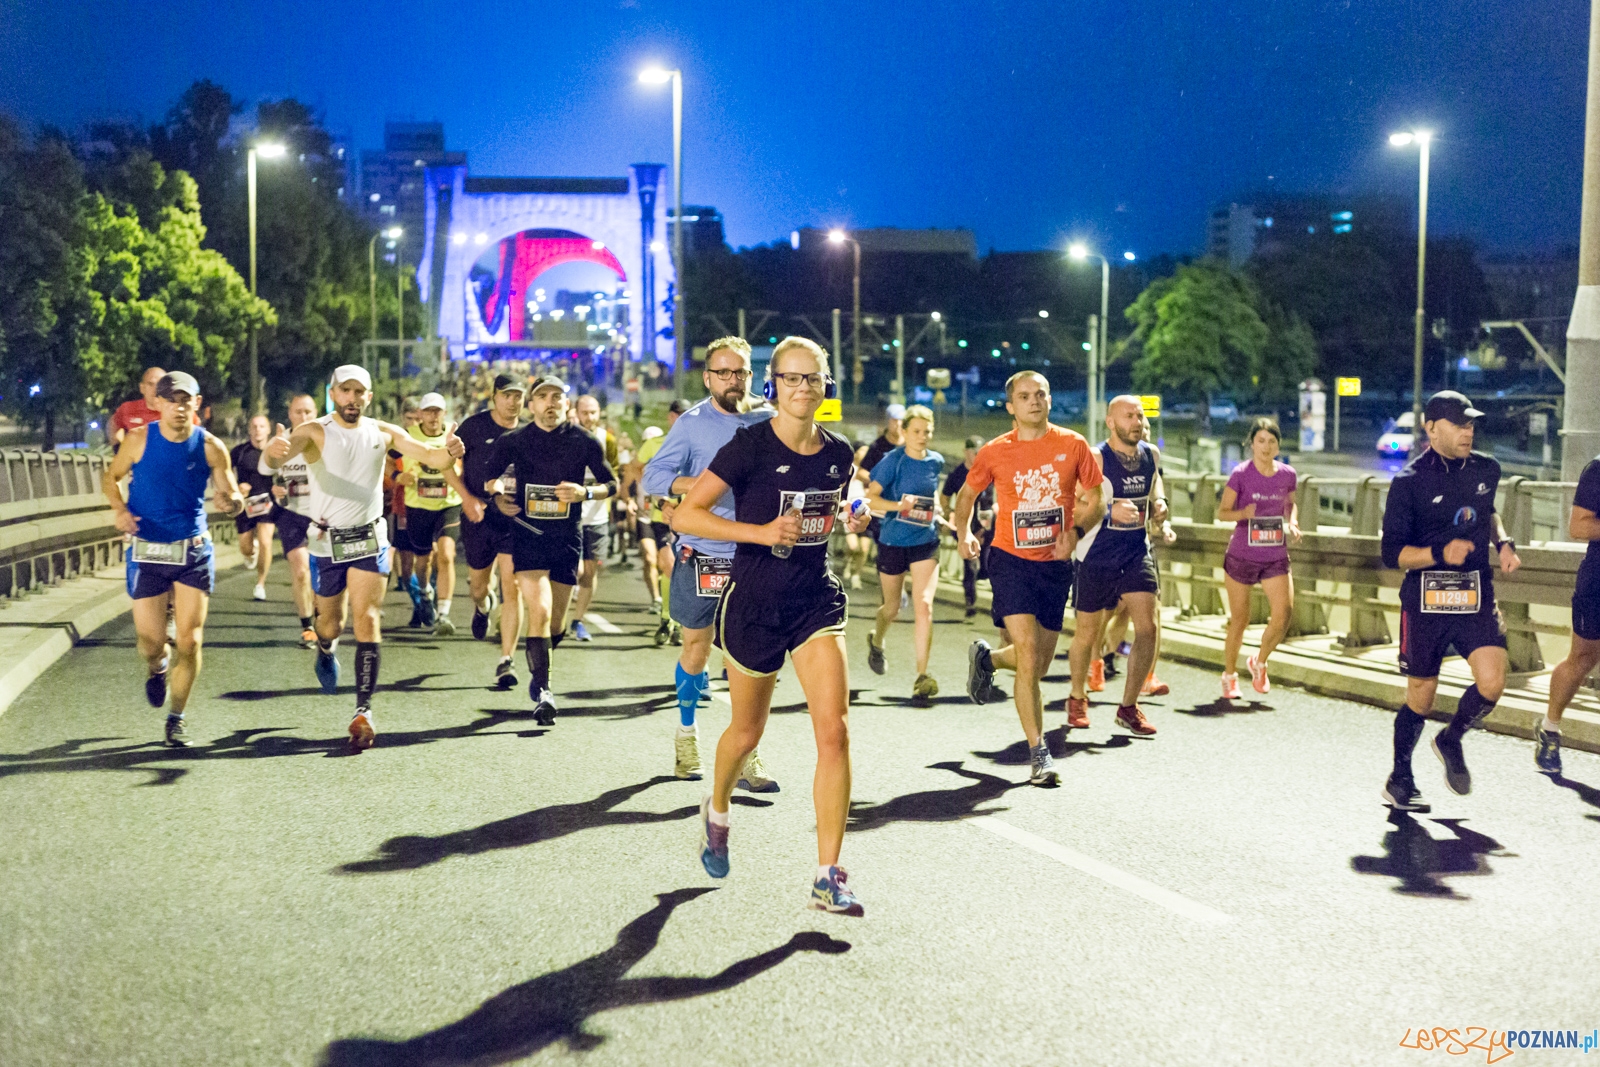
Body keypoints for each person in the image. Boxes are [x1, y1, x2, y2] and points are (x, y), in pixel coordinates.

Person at [673, 336, 871, 915]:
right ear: (772, 386)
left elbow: (827, 514)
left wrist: (851, 515)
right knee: (746, 733)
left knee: (834, 731)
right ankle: (717, 810)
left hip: (814, 600)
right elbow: (689, 513)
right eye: (790, 378)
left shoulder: (839, 454)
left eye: (812, 378)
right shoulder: (748, 446)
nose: (802, 388)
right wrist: (760, 534)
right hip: (754, 602)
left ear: (826, 385)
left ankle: (827, 875)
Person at [263, 366, 471, 750]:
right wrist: (272, 453)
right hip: (328, 542)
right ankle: (326, 648)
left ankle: (363, 711)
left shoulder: (383, 432)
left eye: (360, 392)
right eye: (346, 390)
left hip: (370, 539)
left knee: (367, 618)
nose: (353, 398)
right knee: (330, 622)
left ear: (369, 397)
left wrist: (451, 452)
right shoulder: (313, 431)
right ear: (333, 393)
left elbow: (430, 455)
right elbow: (276, 460)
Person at [954, 371, 1104, 787]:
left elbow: (1097, 500)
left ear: (1050, 400)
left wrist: (1076, 531)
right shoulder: (995, 451)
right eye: (1024, 396)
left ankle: (987, 658)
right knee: (1027, 646)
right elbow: (966, 496)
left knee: (1035, 665)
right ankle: (1039, 753)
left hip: (1055, 564)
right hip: (1009, 559)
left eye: (1040, 394)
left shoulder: (1073, 445)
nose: (1033, 401)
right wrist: (963, 532)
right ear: (1011, 407)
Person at [643, 336, 779, 787]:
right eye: (723, 372)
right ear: (707, 378)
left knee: (746, 658)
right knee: (696, 649)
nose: (732, 380)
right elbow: (654, 476)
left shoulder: (769, 419)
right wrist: (700, 485)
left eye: (740, 371)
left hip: (755, 554)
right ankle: (686, 735)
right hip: (702, 553)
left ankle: (748, 751)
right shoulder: (692, 422)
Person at [1378, 390, 1521, 810]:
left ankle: (1451, 737)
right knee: (1421, 694)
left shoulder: (1486, 469)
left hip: (1475, 593)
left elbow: (1487, 510)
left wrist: (1505, 541)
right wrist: (1441, 554)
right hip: (1425, 600)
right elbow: (1393, 555)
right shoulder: (1409, 482)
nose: (1468, 431)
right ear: (1431, 429)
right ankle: (1400, 776)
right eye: (1459, 424)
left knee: (1493, 680)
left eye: (1471, 424)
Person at [100, 371, 243, 747]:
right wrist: (119, 509)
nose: (178, 407)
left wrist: (233, 502)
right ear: (158, 403)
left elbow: (230, 492)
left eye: (186, 400)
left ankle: (176, 718)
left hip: (192, 550)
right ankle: (157, 667)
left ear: (196, 404)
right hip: (147, 549)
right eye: (171, 400)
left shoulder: (210, 446)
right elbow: (111, 476)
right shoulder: (138, 440)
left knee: (190, 642)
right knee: (150, 641)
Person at [482, 376, 617, 724]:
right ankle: (543, 691)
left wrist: (585, 493)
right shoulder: (514, 440)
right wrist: (498, 496)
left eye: (557, 396)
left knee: (556, 623)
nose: (550, 403)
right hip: (527, 534)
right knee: (538, 611)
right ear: (532, 406)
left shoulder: (583, 441)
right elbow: (487, 478)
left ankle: (539, 663)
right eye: (542, 397)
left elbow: (611, 482)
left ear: (566, 405)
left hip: (566, 537)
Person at [1064, 396, 1173, 737]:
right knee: (1087, 633)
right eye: (1129, 416)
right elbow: (1075, 501)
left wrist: (1159, 502)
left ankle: (1127, 707)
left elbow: (1155, 481)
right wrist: (1110, 512)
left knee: (1148, 626)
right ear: (1111, 422)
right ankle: (1077, 696)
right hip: (1095, 553)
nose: (1137, 422)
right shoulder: (1097, 458)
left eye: (1140, 416)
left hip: (1134, 551)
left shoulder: (1150, 454)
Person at [862, 404, 946, 706]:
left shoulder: (935, 461)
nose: (922, 437)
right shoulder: (892, 461)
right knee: (892, 607)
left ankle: (922, 676)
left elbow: (932, 492)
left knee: (924, 605)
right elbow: (871, 498)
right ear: (905, 431)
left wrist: (936, 509)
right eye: (916, 432)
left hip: (925, 540)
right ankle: (878, 640)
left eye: (927, 432)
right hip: (893, 540)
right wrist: (901, 506)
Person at [1216, 418, 1301, 699]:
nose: (1266, 447)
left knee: (1283, 615)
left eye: (1271, 441)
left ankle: (1259, 661)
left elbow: (1291, 503)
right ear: (1251, 443)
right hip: (1242, 556)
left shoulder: (1288, 474)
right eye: (1260, 441)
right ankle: (1229, 675)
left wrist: (1293, 522)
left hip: (1275, 554)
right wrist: (1243, 514)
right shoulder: (1240, 474)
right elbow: (1222, 512)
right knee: (1240, 620)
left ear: (1278, 445)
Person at [458, 374, 527, 687]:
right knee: (479, 586)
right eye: (507, 395)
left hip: (514, 519)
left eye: (518, 396)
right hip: (479, 517)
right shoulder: (473, 427)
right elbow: (447, 464)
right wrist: (467, 498)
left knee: (511, 588)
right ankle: (482, 607)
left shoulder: (529, 432)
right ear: (494, 397)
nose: (512, 402)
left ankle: (506, 660)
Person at [1536, 451, 1600, 776]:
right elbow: (1578, 525)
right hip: (1598, 583)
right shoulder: (1598, 469)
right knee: (1582, 659)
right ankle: (1550, 728)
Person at [395, 392, 479, 638]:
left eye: (437, 411)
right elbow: (388, 462)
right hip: (418, 506)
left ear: (444, 413)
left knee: (446, 554)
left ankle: (443, 613)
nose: (433, 416)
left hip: (447, 504)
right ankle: (423, 591)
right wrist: (397, 477)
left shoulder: (453, 437)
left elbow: (468, 465)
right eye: (428, 411)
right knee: (423, 563)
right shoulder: (408, 437)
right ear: (420, 414)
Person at [262, 394, 320, 648]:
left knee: (322, 575)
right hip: (291, 514)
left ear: (316, 413)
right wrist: (274, 489)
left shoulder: (327, 440)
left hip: (323, 515)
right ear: (290, 415)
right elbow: (267, 474)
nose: (304, 417)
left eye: (308, 412)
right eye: (299, 412)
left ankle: (324, 618)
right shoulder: (281, 442)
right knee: (301, 570)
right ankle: (307, 626)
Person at [568, 394, 620, 642]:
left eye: (593, 412)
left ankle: (577, 621)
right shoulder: (567, 439)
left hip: (598, 517)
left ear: (600, 413)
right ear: (576, 412)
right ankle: (556, 616)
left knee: (589, 572)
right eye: (584, 412)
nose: (589, 417)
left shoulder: (607, 440)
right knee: (574, 570)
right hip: (570, 517)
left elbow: (614, 478)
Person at [940, 435, 990, 618]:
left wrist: (985, 527)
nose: (978, 456)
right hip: (965, 526)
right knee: (970, 564)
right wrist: (948, 513)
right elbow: (944, 497)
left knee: (986, 564)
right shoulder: (957, 474)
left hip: (986, 525)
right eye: (976, 452)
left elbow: (995, 496)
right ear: (966, 452)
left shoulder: (987, 470)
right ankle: (971, 601)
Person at [231, 415, 277, 601]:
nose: (258, 430)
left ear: (268, 430)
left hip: (268, 503)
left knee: (266, 541)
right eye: (254, 426)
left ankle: (260, 584)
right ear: (249, 430)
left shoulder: (275, 451)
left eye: (262, 426)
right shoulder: (239, 452)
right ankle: (251, 552)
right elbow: (223, 474)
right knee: (246, 548)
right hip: (246, 505)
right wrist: (236, 488)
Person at [109, 366, 166, 448]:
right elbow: (113, 423)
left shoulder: (175, 410)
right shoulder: (128, 408)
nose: (155, 389)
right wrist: (117, 447)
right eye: (151, 384)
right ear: (142, 388)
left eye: (160, 384)